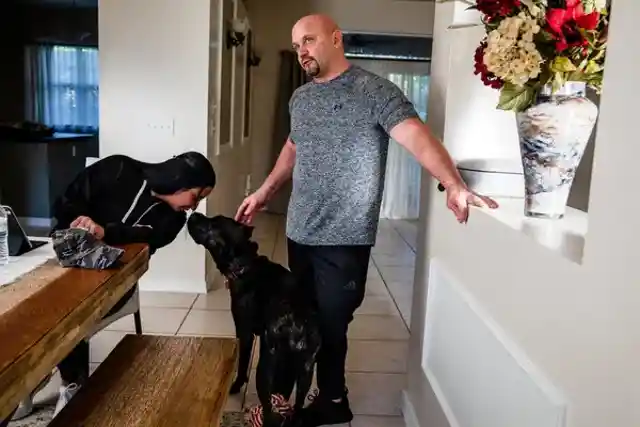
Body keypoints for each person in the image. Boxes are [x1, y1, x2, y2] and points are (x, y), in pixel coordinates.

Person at [235, 14, 498, 427]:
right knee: (297, 317)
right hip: (300, 230)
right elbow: (293, 147)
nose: (302, 51)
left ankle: (332, 400)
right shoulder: (301, 98)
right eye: (297, 45)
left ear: (335, 38)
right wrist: (264, 192)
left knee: (331, 324)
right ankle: (282, 401)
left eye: (309, 40)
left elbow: (416, 136)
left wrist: (453, 184)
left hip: (344, 238)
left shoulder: (373, 90)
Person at [12, 151, 216, 421]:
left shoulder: (173, 221)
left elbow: (142, 235)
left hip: (115, 280)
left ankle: (70, 385)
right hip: (65, 259)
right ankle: (23, 386)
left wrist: (104, 231)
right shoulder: (118, 168)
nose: (194, 207)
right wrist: (79, 222)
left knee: (68, 311)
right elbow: (68, 200)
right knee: (26, 305)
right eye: (196, 196)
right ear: (180, 181)